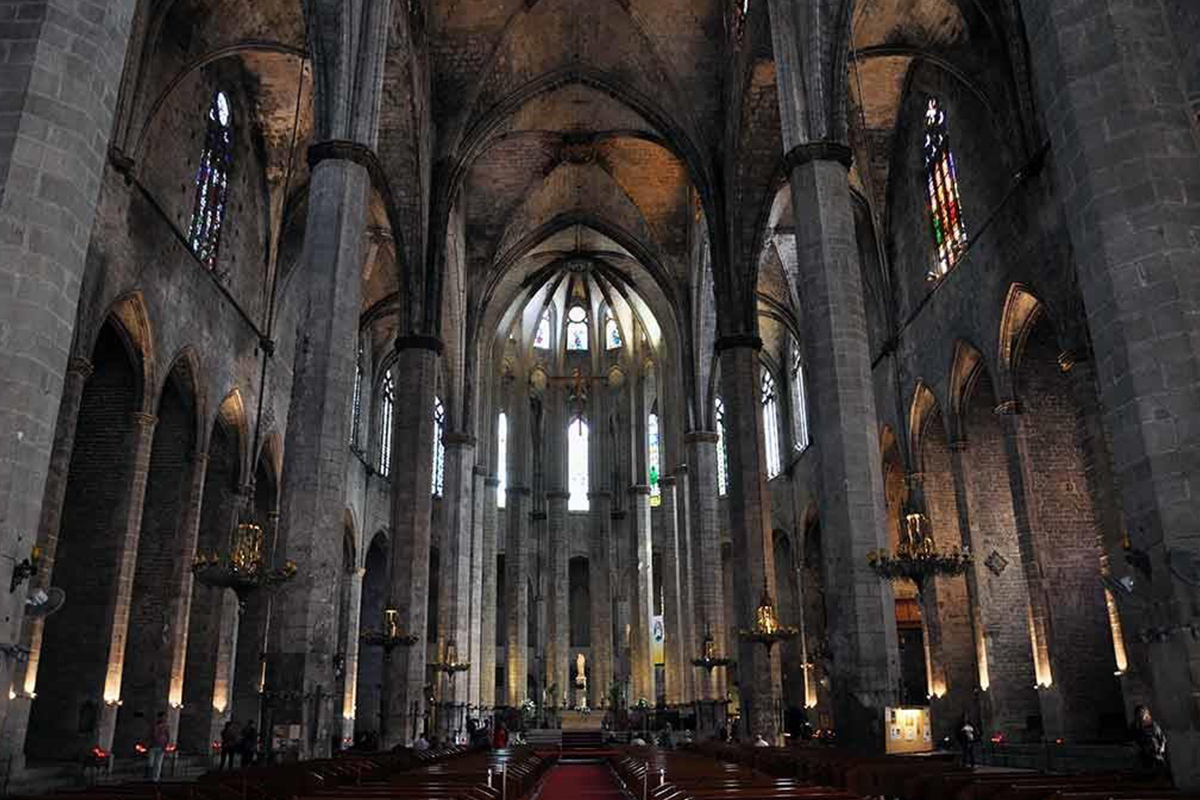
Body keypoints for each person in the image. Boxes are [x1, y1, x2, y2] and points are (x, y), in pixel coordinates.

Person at [1131, 705, 1168, 778]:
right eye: (1139, 714)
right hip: (1144, 752)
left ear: (1146, 713)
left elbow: (1162, 738)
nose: (1141, 716)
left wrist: (1161, 749)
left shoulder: (1153, 725)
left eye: (1142, 713)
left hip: (1156, 750)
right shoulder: (1134, 726)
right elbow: (1133, 740)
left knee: (1161, 765)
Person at [147, 712, 170, 782]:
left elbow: (168, 736)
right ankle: (150, 776)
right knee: (150, 763)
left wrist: (165, 746)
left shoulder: (166, 726)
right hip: (153, 746)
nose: (164, 718)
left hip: (161, 746)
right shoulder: (154, 725)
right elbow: (150, 735)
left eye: (165, 717)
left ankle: (155, 778)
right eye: (162, 717)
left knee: (158, 763)